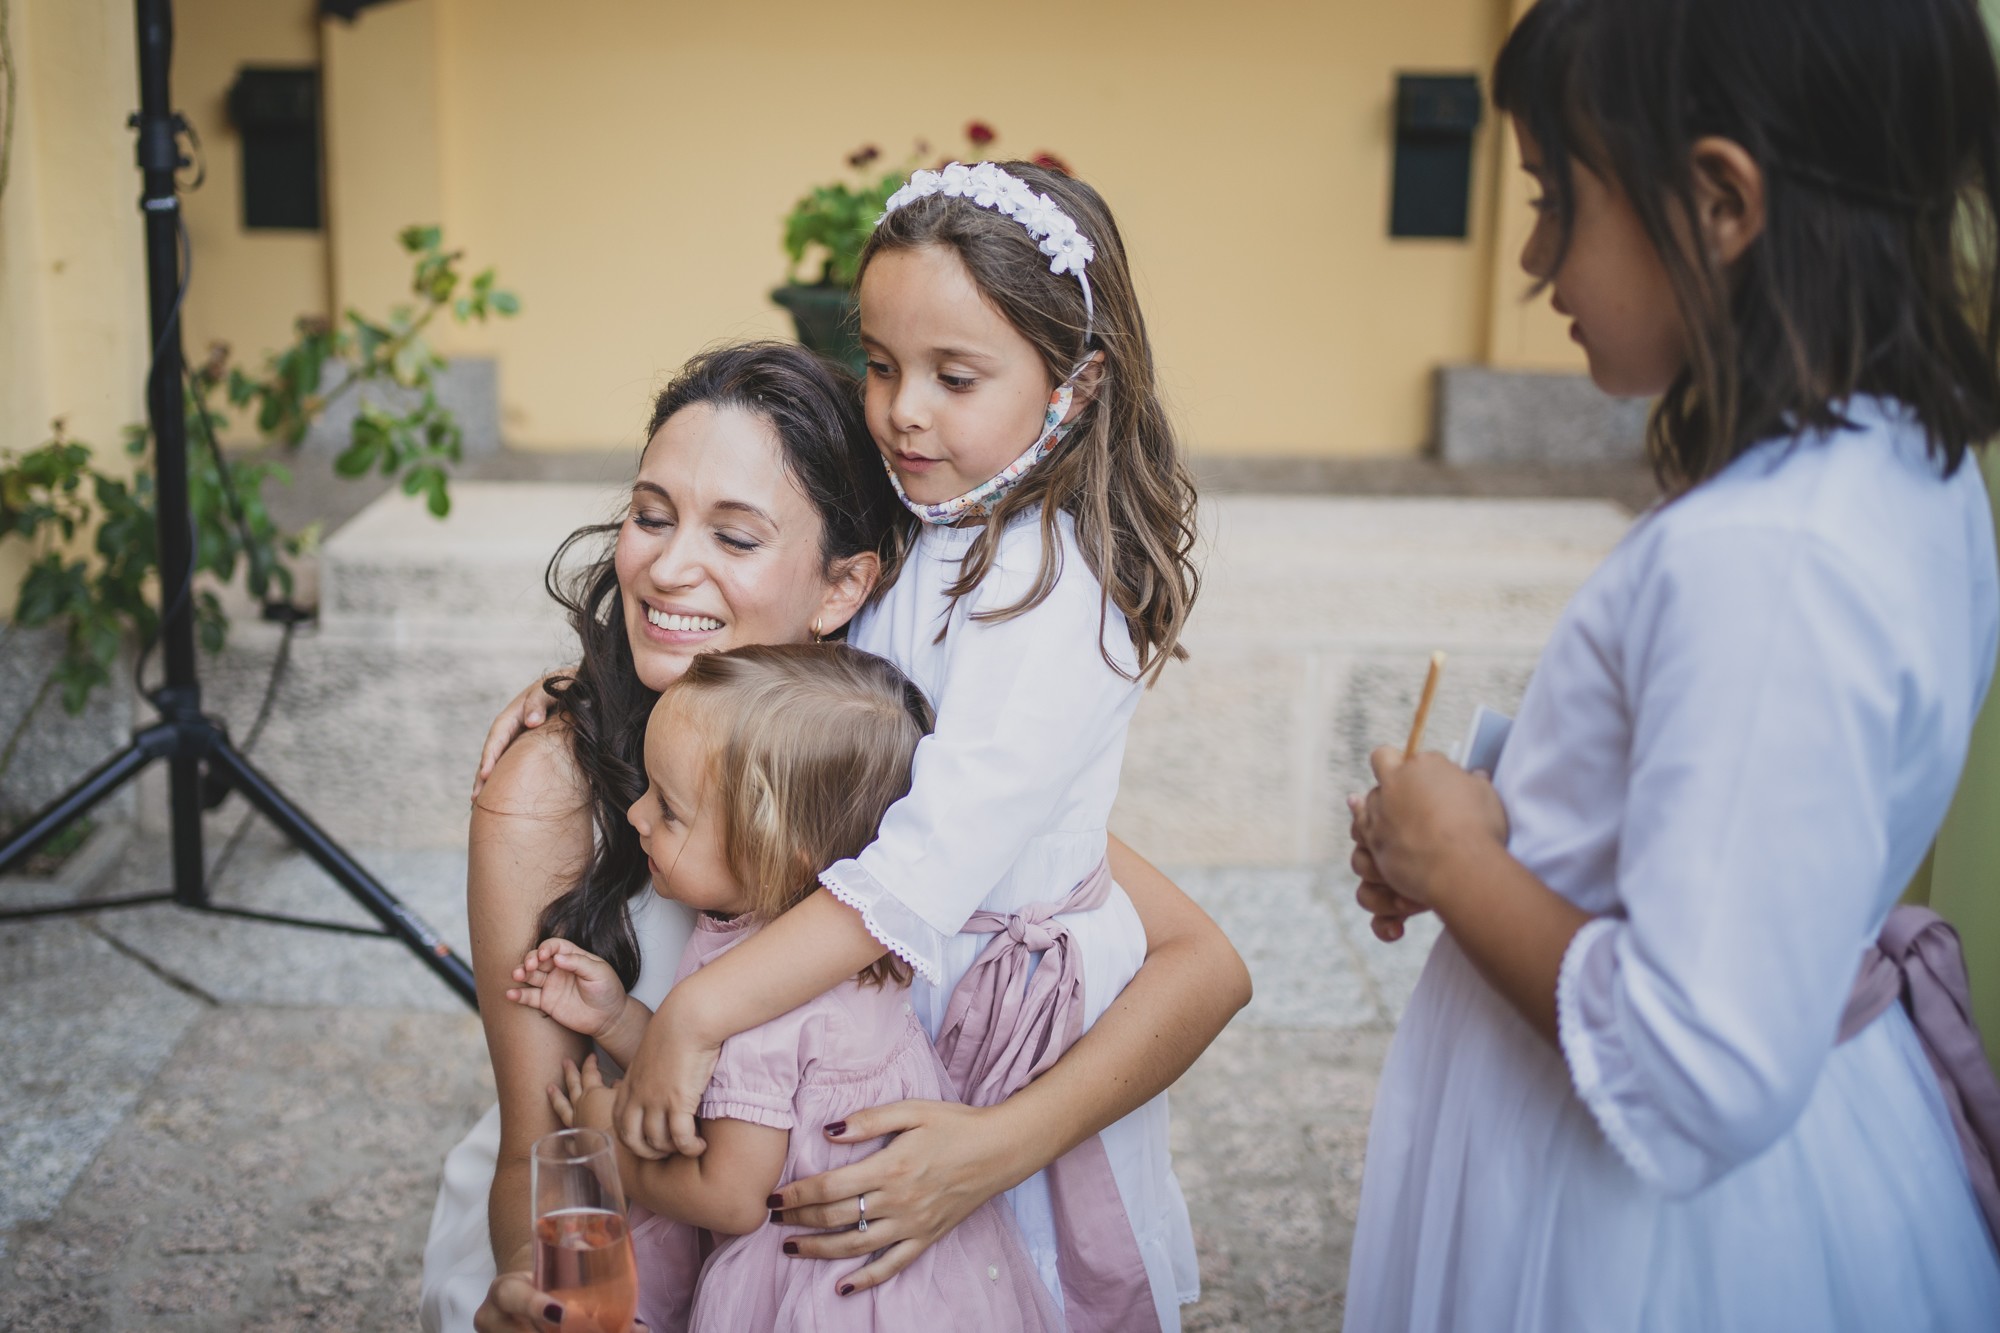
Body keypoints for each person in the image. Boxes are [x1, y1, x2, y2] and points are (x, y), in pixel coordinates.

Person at [1343, 1, 2000, 1328]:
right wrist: (1476, 808)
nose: (1533, 262)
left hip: (1636, 1233)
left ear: (1717, 200)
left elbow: (1694, 1062)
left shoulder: (1772, 554)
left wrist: (1457, 865)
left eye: (1552, 200)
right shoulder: (1905, 470)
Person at [427, 339, 1251, 1333]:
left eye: (735, 538)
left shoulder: (868, 767)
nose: (667, 565)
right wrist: (530, 1280)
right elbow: (539, 1137)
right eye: (650, 516)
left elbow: (1202, 962)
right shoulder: (549, 782)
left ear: (841, 587)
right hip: (618, 1240)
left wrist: (994, 1149)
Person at [603, 160, 1205, 1331]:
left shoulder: (1056, 599)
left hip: (985, 1006)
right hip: (879, 981)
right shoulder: (931, 523)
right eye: (879, 365)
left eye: (954, 375)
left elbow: (912, 875)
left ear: (1075, 388)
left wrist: (695, 1013)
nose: (902, 409)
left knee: (963, 1272)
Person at [510, 643, 1063, 1332]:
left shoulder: (766, 1000)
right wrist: (619, 1018)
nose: (636, 815)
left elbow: (731, 1194)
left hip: (819, 1291)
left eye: (670, 809)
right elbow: (719, 1088)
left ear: (773, 842)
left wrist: (605, 1136)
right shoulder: (807, 950)